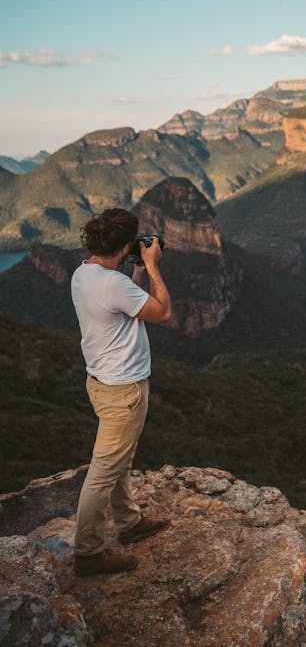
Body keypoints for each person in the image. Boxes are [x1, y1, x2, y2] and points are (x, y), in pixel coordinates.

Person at [70, 207, 172, 576]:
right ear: (127, 244)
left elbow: (121, 303)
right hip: (123, 391)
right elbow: (162, 312)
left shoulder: (84, 274)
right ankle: (89, 553)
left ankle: (128, 523)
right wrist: (153, 264)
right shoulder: (113, 284)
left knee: (120, 460)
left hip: (100, 384)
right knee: (104, 470)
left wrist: (138, 272)